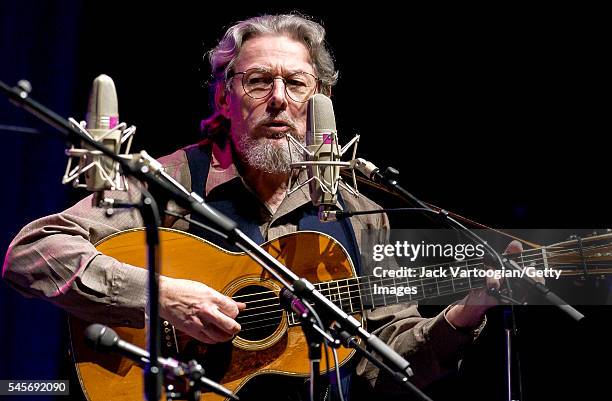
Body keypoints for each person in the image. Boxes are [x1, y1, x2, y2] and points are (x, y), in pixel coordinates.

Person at [2, 13, 518, 400]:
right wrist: (161, 295)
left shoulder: (360, 212)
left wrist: (463, 314)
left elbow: (380, 361)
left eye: (296, 83)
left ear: (321, 99)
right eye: (258, 81)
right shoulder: (166, 181)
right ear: (225, 98)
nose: (278, 99)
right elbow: (30, 254)